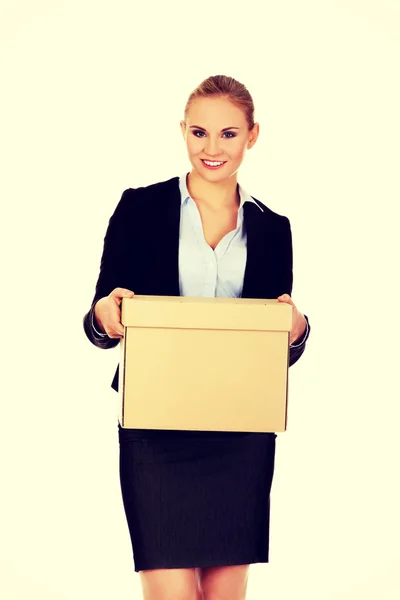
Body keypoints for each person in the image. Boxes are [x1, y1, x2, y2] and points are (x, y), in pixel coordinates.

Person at [83, 74, 311, 600]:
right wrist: (106, 313)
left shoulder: (275, 228)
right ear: (182, 131)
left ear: (253, 136)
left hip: (241, 433)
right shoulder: (139, 208)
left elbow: (273, 346)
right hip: (155, 430)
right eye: (200, 133)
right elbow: (99, 322)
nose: (212, 149)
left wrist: (296, 330)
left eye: (229, 134)